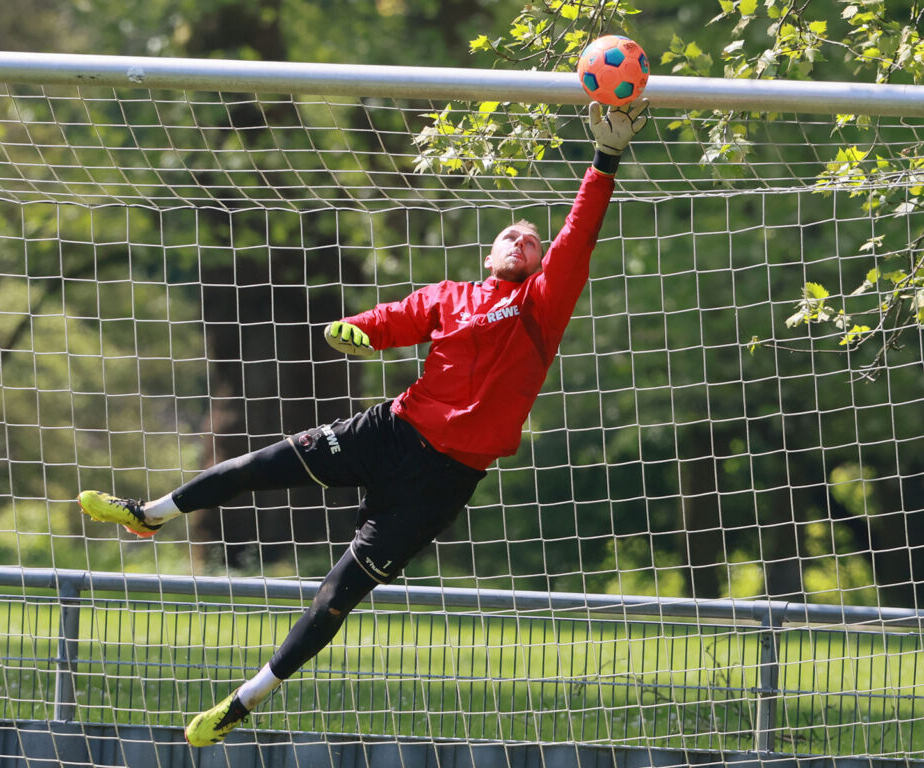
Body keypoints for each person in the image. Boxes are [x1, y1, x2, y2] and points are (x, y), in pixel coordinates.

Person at [77, 99, 648, 747]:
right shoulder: (450, 298)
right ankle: (151, 513)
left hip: (442, 480)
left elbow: (577, 235)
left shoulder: (541, 305)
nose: (523, 239)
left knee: (338, 594)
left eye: (532, 238)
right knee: (254, 467)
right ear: (489, 253)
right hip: (391, 430)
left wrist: (604, 160)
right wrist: (361, 331)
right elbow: (398, 317)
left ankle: (244, 700)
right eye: (511, 234)